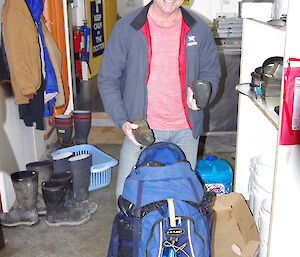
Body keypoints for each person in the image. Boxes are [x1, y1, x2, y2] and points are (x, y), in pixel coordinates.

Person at [97, 0, 221, 201]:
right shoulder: (127, 28)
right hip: (142, 132)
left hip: (186, 132)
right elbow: (107, 79)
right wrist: (122, 121)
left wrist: (202, 95)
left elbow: (211, 73)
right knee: (125, 199)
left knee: (183, 201)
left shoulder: (199, 29)